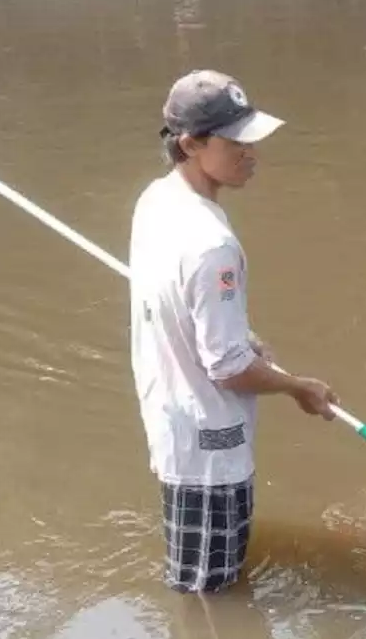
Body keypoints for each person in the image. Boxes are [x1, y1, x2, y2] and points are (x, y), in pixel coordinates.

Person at [129, 69, 339, 595]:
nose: (251, 153)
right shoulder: (211, 245)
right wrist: (298, 388)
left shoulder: (157, 200)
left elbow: (186, 307)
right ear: (191, 143)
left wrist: (241, 334)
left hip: (172, 418)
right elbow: (225, 368)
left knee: (197, 574)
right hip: (209, 446)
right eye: (235, 141)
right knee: (210, 594)